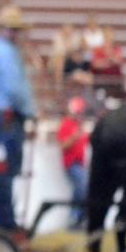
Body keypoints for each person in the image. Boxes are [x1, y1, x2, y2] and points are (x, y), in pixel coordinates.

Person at [0, 5, 36, 232]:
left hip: (0, 114)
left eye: (15, 29)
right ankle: (4, 220)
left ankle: (2, 216)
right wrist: (30, 110)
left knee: (6, 166)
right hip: (8, 116)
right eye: (10, 29)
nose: (13, 33)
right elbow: (14, 88)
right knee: (9, 167)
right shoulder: (6, 53)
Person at [57, 96, 90, 230]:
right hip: (72, 164)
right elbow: (63, 145)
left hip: (80, 164)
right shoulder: (66, 124)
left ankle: (79, 217)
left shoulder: (78, 126)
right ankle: (75, 216)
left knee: (82, 189)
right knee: (82, 188)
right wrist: (74, 137)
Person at [89, 25, 124, 99]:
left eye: (110, 35)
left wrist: (108, 57)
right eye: (106, 35)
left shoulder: (116, 49)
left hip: (114, 81)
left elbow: (118, 62)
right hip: (100, 81)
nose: (109, 37)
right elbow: (96, 64)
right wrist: (109, 61)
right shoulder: (97, 49)